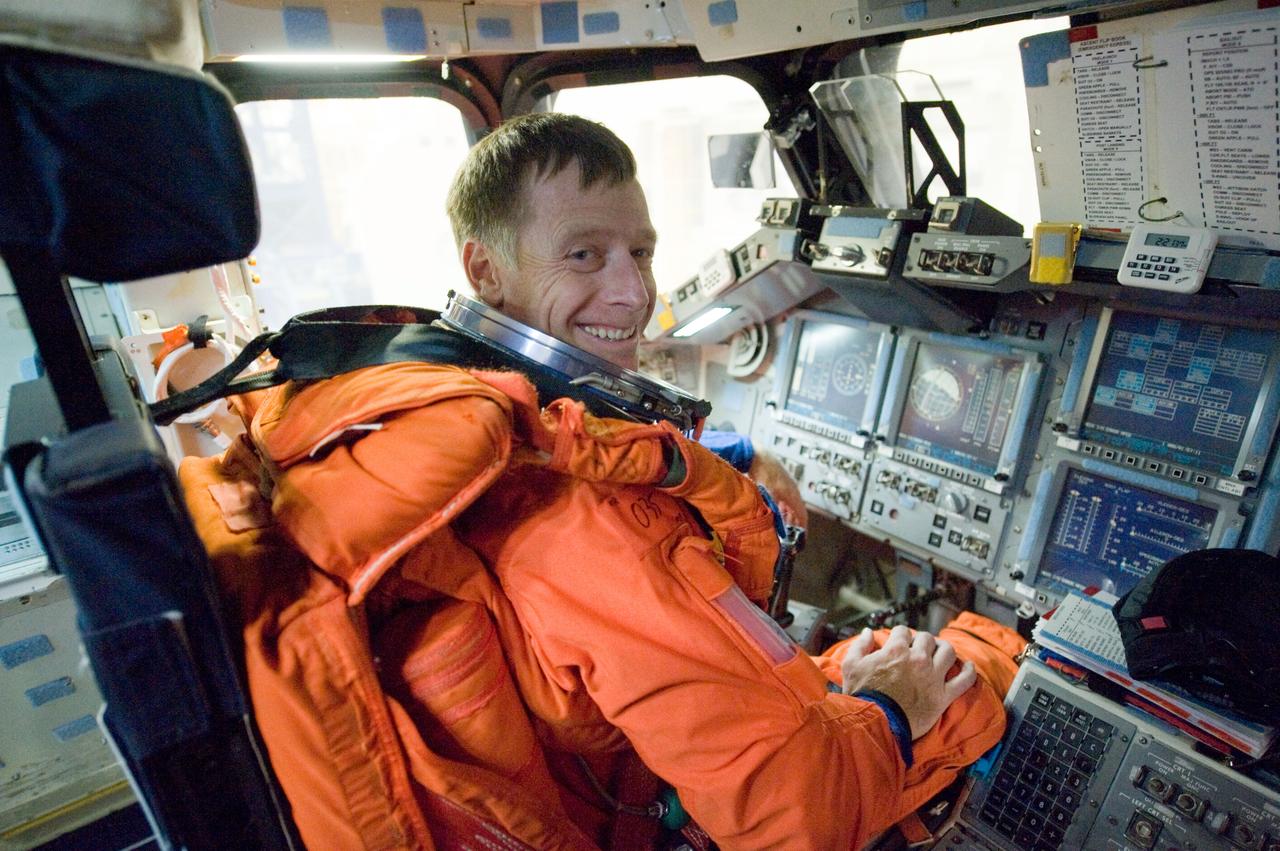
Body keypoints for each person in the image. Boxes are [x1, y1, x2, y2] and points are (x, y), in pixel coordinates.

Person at [190, 112, 1023, 850]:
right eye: (584, 254)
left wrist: (719, 461)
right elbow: (790, 818)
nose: (632, 293)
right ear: (485, 270)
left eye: (642, 251)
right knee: (991, 663)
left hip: (600, 779)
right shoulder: (592, 516)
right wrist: (891, 710)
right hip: (656, 813)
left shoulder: (406, 402)